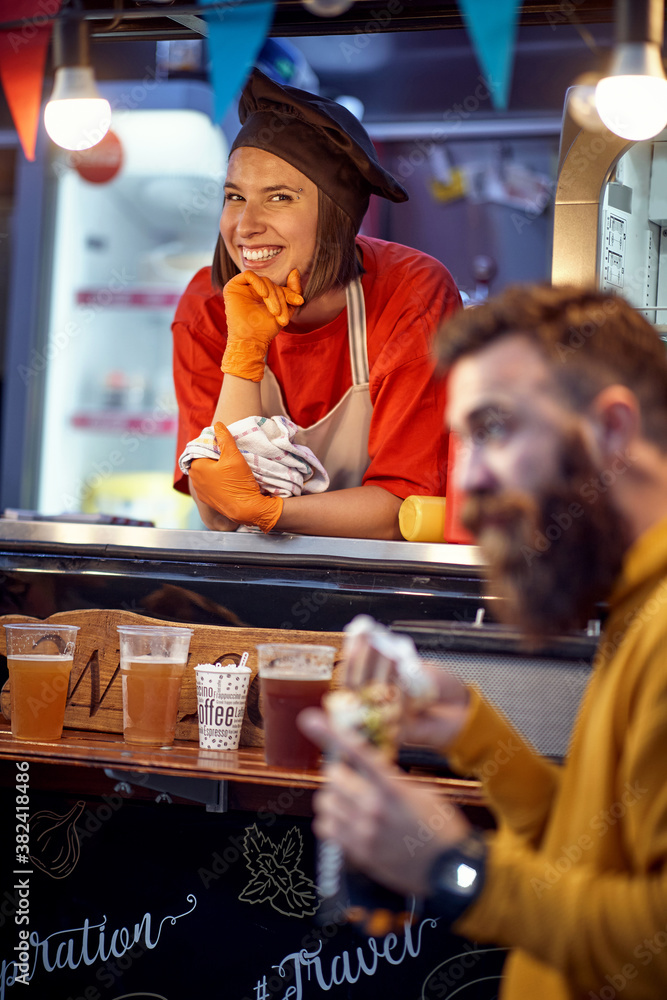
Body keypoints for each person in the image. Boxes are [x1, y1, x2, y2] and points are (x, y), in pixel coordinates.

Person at [299, 284, 667, 998]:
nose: (464, 483)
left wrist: (455, 870)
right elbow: (595, 847)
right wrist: (473, 731)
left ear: (613, 432)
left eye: (493, 429)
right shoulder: (637, 602)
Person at [171, 68, 461, 539]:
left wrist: (270, 514)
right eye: (234, 196)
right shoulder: (207, 303)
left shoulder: (411, 292)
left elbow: (405, 508)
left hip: (381, 581)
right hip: (238, 575)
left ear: (336, 217)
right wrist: (244, 347)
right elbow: (218, 511)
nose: (245, 225)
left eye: (279, 197)